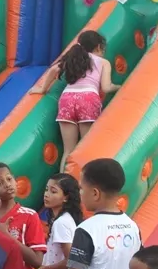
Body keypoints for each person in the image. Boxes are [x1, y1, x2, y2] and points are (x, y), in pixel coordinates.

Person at [31, 30, 120, 170]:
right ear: (98, 47)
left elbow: (53, 70)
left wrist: (43, 89)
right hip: (88, 99)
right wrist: (119, 87)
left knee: (68, 150)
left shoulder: (72, 58)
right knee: (86, 147)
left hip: (67, 99)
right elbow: (106, 87)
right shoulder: (103, 62)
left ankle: (63, 183)